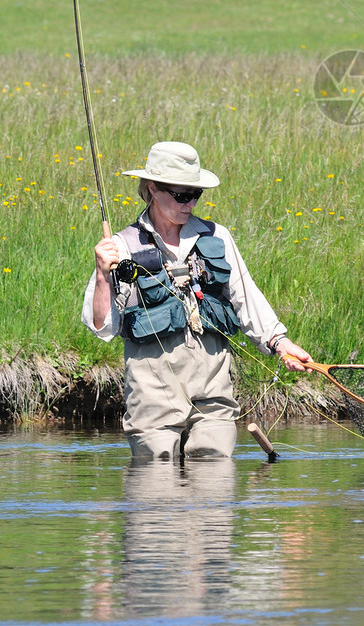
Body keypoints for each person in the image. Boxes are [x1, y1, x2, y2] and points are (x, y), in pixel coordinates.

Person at [82, 140, 311, 461]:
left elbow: (247, 299)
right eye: (182, 195)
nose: (190, 203)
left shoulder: (218, 237)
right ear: (152, 189)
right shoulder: (121, 246)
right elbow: (102, 326)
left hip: (213, 394)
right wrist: (103, 273)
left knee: (213, 483)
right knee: (156, 493)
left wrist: (279, 342)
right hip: (152, 399)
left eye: (196, 194)